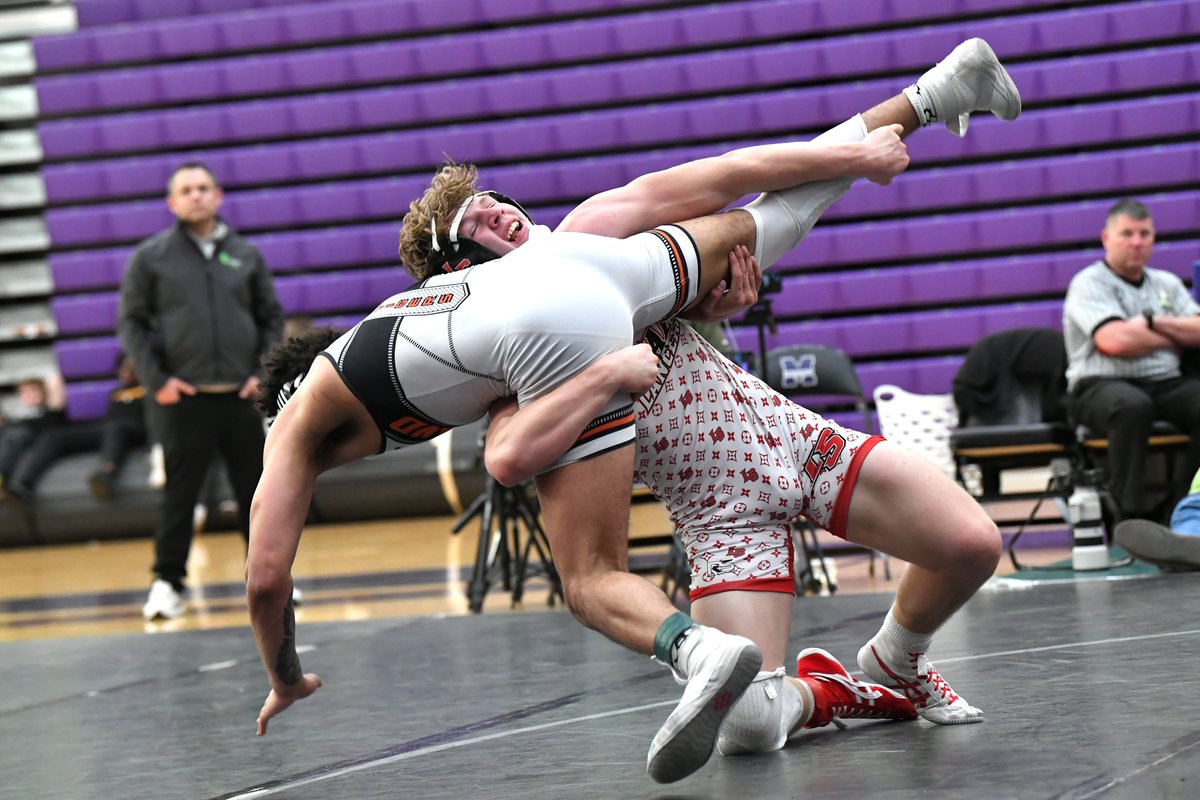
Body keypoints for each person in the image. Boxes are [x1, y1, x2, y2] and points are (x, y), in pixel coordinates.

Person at [247, 39, 1016, 784]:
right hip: (721, 515)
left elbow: (734, 192)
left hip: (788, 439)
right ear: (458, 268)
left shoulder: (586, 237)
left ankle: (894, 660)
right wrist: (613, 366)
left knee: (971, 544)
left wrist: (727, 305)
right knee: (748, 726)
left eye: (500, 204)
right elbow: (508, 455)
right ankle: (838, 690)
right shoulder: (514, 370)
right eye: (480, 225)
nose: (503, 216)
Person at [118, 161, 284, 622]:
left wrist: (262, 373)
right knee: (179, 496)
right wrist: (156, 381)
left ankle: (268, 582)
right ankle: (168, 583)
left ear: (219, 195)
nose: (196, 195)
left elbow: (271, 317)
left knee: (257, 493)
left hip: (240, 397)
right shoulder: (152, 257)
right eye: (186, 190)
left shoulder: (245, 254)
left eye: (203, 188)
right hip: (183, 401)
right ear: (172, 203)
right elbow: (130, 322)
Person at [1062, 198, 1200, 523]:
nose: (1137, 242)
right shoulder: (1088, 283)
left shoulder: (1167, 282)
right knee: (1132, 406)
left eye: (1145, 234)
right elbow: (1114, 342)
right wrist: (1175, 337)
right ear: (1106, 238)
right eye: (1127, 233)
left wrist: (1151, 322)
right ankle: (1130, 520)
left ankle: (1181, 511)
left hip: (1164, 382)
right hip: (1098, 386)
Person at [0, 374, 68, 511]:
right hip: (11, 435)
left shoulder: (50, 413)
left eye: (34, 390)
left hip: (30, 440)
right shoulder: (16, 418)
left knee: (13, 436)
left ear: (45, 392)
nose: (30, 395)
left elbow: (57, 381)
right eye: (25, 392)